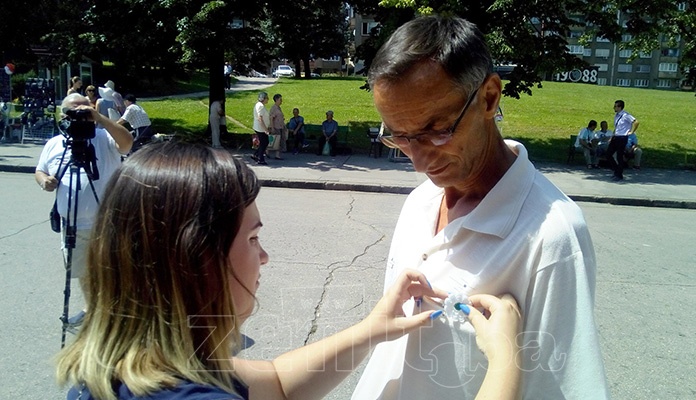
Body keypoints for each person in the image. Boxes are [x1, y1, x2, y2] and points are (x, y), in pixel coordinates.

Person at [55, 141, 522, 400]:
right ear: (198, 260)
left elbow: (275, 384)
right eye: (253, 238)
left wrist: (373, 329)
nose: (264, 258)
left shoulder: (129, 365)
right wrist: (506, 361)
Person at [353, 15, 608, 399]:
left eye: (438, 130)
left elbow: (561, 388)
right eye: (400, 138)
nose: (419, 164)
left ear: (489, 97)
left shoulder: (553, 236)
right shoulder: (420, 201)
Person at [35, 93, 132, 326]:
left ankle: (115, 316)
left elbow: (127, 143)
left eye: (84, 108)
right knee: (83, 273)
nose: (80, 112)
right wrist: (44, 181)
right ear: (63, 115)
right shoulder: (54, 143)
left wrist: (99, 118)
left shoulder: (104, 137)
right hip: (72, 224)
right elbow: (40, 170)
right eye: (74, 109)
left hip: (105, 222)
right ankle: (91, 311)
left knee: (111, 271)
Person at [608, 99, 639, 181]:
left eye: (615, 106)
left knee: (619, 156)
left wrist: (632, 131)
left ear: (620, 107)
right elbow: (617, 127)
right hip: (616, 136)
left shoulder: (626, 115)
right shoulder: (617, 115)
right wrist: (612, 136)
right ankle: (616, 169)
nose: (614, 108)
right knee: (608, 154)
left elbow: (636, 122)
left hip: (622, 137)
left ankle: (619, 174)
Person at [252, 92, 270, 165]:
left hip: (259, 127)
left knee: (264, 142)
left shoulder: (258, 105)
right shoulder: (261, 106)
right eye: (267, 98)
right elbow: (260, 118)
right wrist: (265, 129)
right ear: (263, 99)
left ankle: (256, 155)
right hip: (260, 128)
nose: (268, 99)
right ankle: (260, 158)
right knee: (264, 143)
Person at [269, 93, 287, 159]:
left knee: (279, 141)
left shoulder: (279, 108)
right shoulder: (274, 108)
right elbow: (271, 118)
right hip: (276, 127)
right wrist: (272, 127)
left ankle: (277, 154)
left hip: (280, 127)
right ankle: (271, 152)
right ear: (276, 100)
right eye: (280, 99)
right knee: (276, 141)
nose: (281, 101)